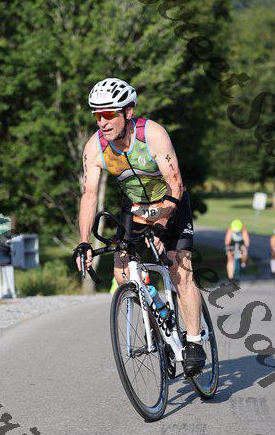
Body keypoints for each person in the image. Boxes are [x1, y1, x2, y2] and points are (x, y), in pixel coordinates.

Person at [73, 77, 206, 376]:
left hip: (170, 202)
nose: (102, 122)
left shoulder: (153, 135)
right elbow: (89, 195)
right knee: (123, 274)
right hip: (133, 208)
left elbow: (175, 184)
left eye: (109, 114)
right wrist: (84, 242)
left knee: (179, 268)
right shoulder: (95, 147)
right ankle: (160, 314)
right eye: (97, 115)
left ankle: (195, 341)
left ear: (128, 112)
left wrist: (161, 224)